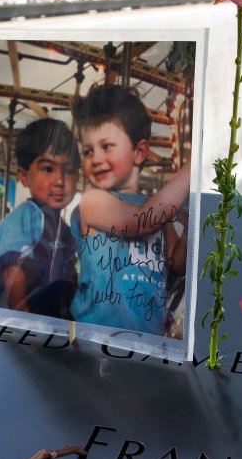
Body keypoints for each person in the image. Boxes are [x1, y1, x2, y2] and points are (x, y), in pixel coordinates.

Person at [71, 85, 190, 335]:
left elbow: (177, 264)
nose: (96, 158)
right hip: (95, 340)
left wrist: (190, 227)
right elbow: (141, 222)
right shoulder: (92, 202)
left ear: (139, 152)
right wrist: (193, 167)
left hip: (144, 341)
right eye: (88, 150)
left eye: (106, 146)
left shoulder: (159, 219)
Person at [0, 118, 81, 318]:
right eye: (48, 169)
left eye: (69, 170)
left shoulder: (63, 229)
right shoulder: (27, 215)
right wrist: (21, 309)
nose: (60, 181)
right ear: (24, 176)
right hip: (20, 315)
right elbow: (13, 266)